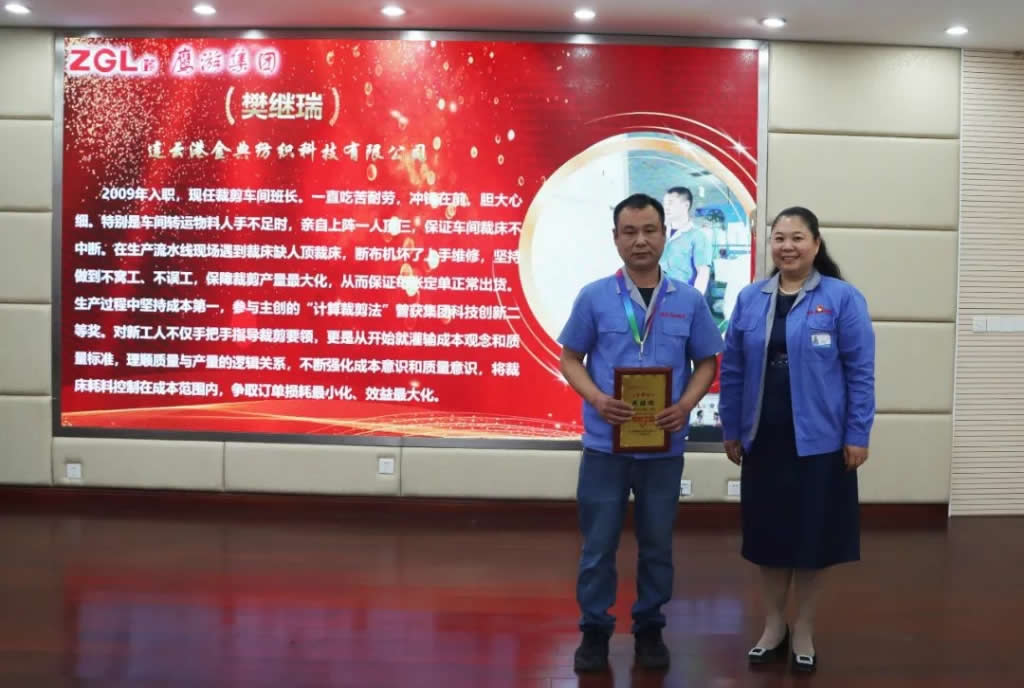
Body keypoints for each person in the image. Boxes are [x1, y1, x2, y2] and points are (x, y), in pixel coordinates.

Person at [559, 193, 723, 672]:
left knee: (657, 545)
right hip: (604, 447)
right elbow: (571, 359)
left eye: (650, 230)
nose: (640, 241)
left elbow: (706, 362)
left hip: (663, 449)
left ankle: (650, 627)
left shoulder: (688, 300)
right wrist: (596, 398)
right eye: (629, 232)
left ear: (665, 235)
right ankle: (594, 631)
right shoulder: (593, 297)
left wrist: (686, 405)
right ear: (615, 239)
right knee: (598, 546)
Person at [718, 206, 875, 674]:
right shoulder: (751, 299)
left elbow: (860, 372)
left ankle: (803, 627)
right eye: (779, 238)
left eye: (797, 238)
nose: (787, 246)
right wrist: (731, 427)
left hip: (820, 443)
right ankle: (773, 625)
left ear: (816, 244)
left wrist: (857, 433)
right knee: (768, 539)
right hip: (763, 438)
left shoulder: (842, 298)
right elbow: (733, 369)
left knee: (811, 541)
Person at [660, 186, 712, 294]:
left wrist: (696, 299)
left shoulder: (698, 236)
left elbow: (703, 273)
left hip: (682, 294)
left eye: (670, 203)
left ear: (686, 205)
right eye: (664, 203)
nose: (666, 207)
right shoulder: (659, 233)